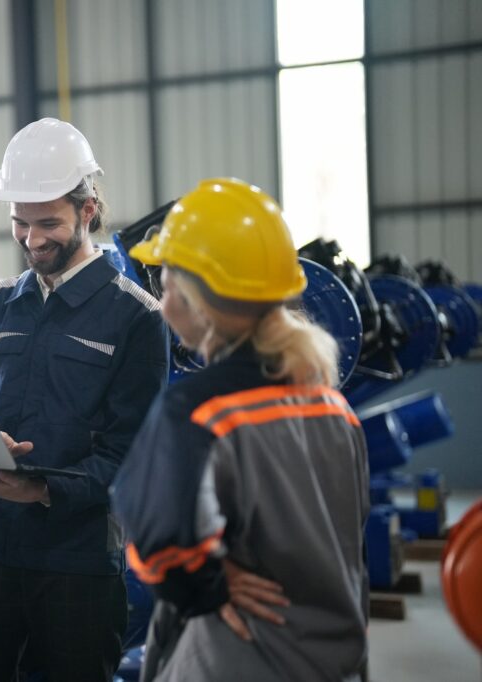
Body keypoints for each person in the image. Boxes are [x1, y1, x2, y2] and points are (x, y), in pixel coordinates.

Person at [0, 118, 169, 681]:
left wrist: (39, 488)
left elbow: (131, 458)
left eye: (48, 224)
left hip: (77, 562)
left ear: (88, 211)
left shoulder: (135, 317)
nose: (33, 239)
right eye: (20, 223)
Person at [112, 178, 369, 681]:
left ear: (198, 300)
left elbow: (157, 544)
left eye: (166, 288)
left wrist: (206, 585)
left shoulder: (197, 409)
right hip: (336, 658)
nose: (162, 306)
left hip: (241, 655)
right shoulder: (332, 406)